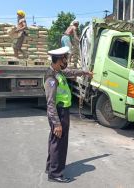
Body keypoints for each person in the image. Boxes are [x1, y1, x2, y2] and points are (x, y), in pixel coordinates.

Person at [44, 46, 93, 183]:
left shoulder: (58, 72)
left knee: (55, 141)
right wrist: (57, 123)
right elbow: (50, 103)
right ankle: (55, 174)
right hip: (58, 113)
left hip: (62, 111)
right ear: (58, 60)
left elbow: (71, 72)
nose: (66, 61)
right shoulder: (51, 78)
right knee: (59, 142)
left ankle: (51, 167)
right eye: (64, 58)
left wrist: (84, 72)